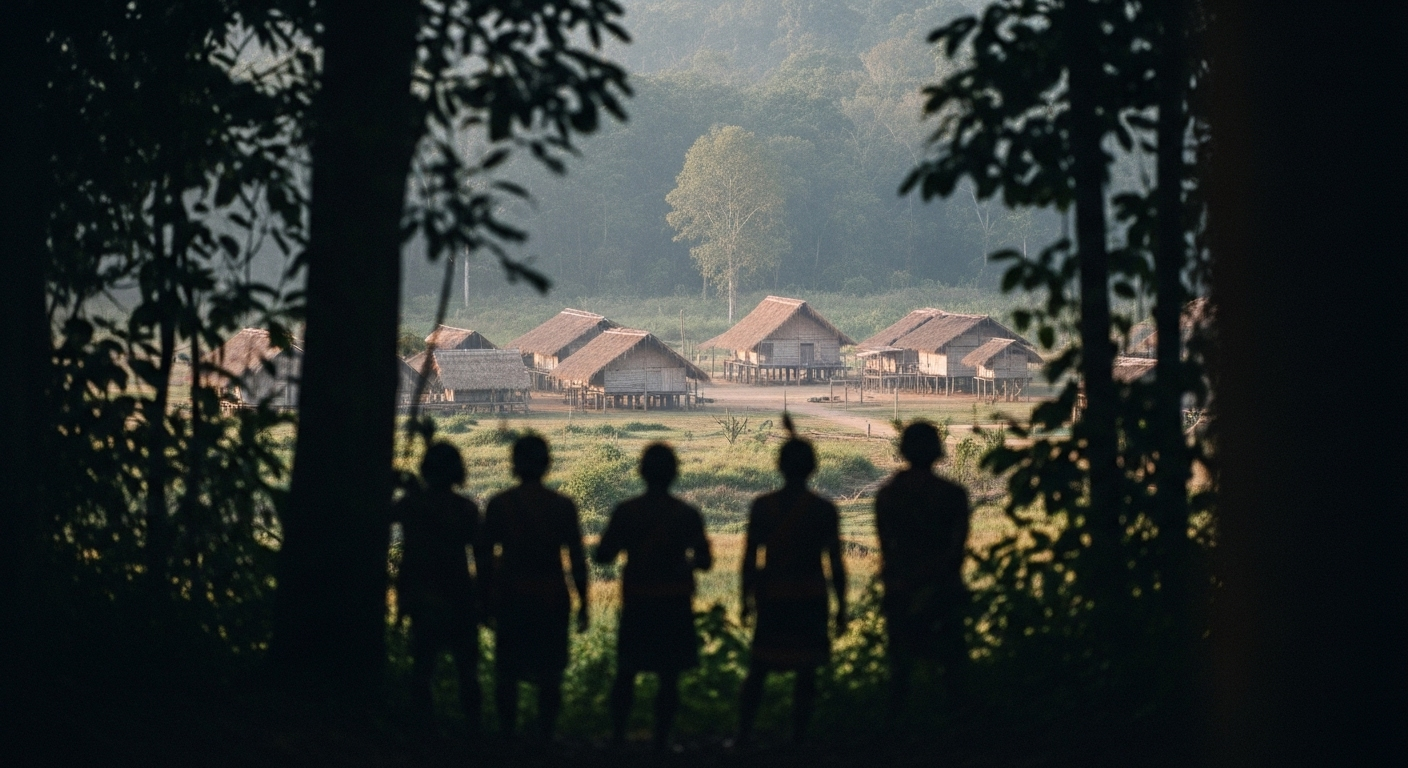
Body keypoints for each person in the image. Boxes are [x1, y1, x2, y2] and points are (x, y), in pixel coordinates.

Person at [595, 443, 712, 749]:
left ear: (641, 472)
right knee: (669, 676)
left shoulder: (627, 512)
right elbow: (705, 560)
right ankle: (662, 740)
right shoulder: (686, 514)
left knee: (626, 671)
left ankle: (618, 737)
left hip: (638, 603)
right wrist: (681, 564)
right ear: (675, 473)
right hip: (675, 603)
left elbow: (604, 555)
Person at [737, 425, 847, 744]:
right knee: (806, 671)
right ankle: (799, 737)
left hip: (772, 597)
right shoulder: (823, 509)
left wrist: (745, 599)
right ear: (813, 468)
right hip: (812, 597)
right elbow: (835, 563)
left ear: (779, 466)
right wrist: (841, 606)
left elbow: (749, 559)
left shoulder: (763, 506)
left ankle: (743, 734)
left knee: (759, 667)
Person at [482, 434, 588, 741]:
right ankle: (545, 738)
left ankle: (507, 738)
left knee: (507, 674)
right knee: (550, 675)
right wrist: (584, 603)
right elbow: (576, 559)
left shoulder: (500, 505)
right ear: (547, 465)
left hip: (511, 598)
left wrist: (484, 600)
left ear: (513, 464)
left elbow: (484, 559)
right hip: (551, 598)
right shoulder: (562, 506)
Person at [874, 421, 971, 720]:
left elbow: (887, 549)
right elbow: (957, 551)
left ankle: (896, 726)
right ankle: (957, 724)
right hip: (943, 588)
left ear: (903, 451)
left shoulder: (888, 495)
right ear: (937, 452)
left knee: (900, 667)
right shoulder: (953, 494)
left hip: (901, 588)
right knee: (952, 665)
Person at [390, 442, 484, 732]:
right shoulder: (465, 509)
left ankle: (424, 732)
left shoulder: (410, 505)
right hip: (460, 596)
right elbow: (482, 558)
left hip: (421, 595)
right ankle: (474, 731)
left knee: (422, 668)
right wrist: (485, 599)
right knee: (467, 671)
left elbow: (378, 517)